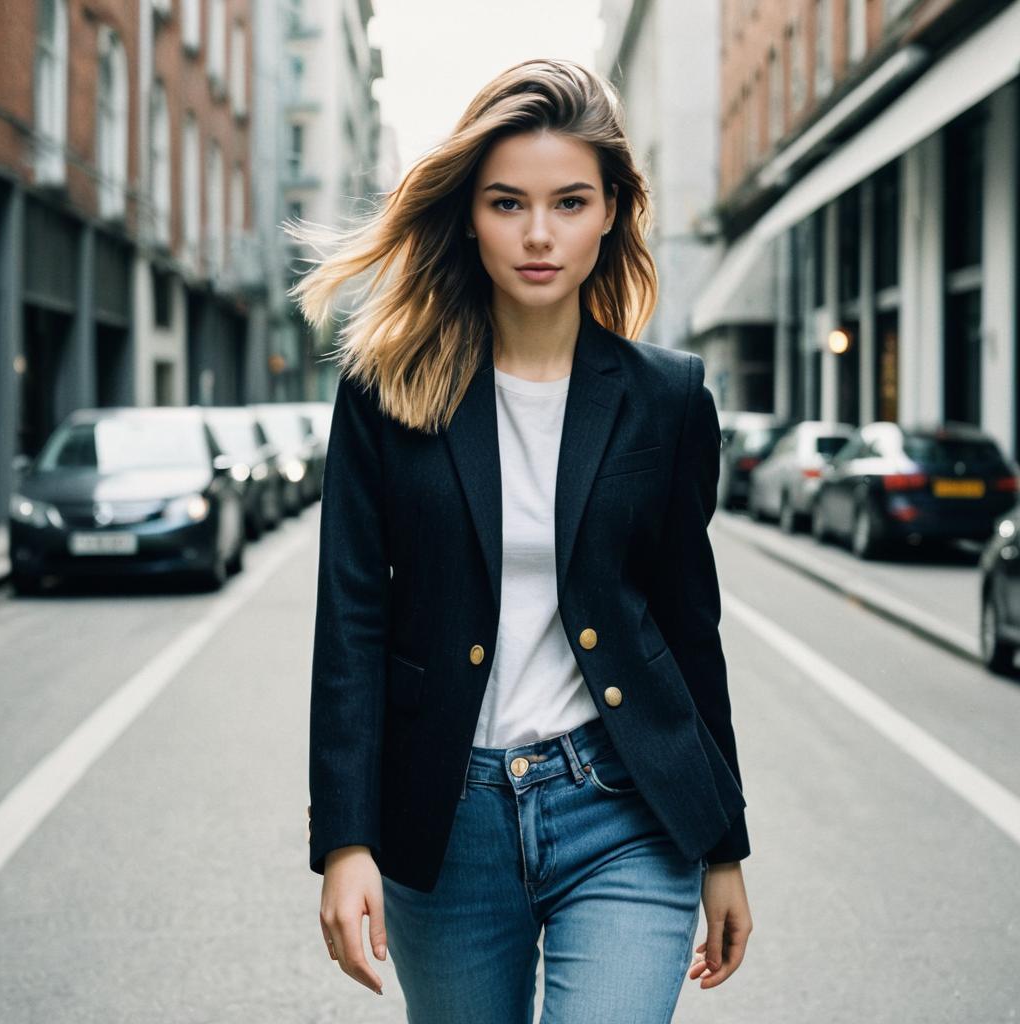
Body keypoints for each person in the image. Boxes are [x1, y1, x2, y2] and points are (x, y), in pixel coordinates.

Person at [286, 57, 753, 1022]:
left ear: (612, 211)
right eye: (508, 203)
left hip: (622, 807)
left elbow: (687, 629)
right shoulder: (386, 390)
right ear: (468, 214)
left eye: (569, 202)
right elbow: (352, 622)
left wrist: (723, 846)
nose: (539, 234)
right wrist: (345, 838)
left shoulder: (668, 398)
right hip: (445, 816)